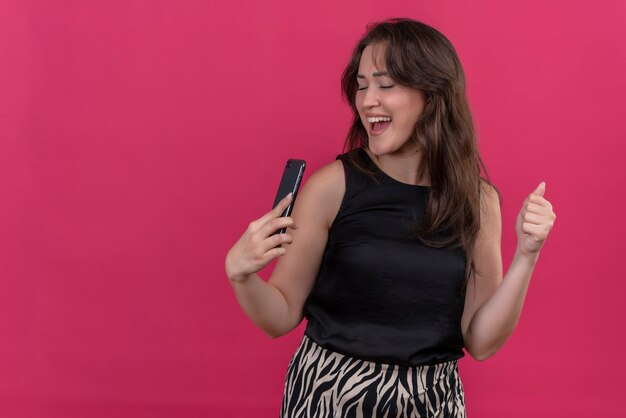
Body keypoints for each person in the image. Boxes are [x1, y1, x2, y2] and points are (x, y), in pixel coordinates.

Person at [225, 17, 556, 418]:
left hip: (432, 402)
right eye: (362, 86)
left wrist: (527, 255)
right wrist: (241, 274)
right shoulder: (332, 187)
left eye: (385, 85)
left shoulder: (478, 201)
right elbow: (279, 316)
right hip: (329, 395)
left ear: (431, 95)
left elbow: (481, 342)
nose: (367, 101)